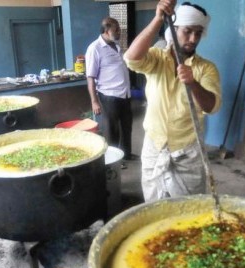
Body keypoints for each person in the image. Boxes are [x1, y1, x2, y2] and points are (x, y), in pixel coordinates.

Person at [124, 0, 222, 202]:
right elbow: (131, 59)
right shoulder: (157, 59)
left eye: (198, 33)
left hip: (188, 150)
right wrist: (158, 18)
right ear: (174, 29)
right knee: (153, 204)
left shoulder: (206, 68)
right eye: (188, 31)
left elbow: (211, 106)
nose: (193, 38)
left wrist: (193, 83)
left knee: (189, 207)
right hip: (155, 144)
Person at [85, 17, 137, 168]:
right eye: (116, 30)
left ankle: (126, 154)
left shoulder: (117, 46)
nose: (119, 32)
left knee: (127, 126)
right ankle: (114, 160)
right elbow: (90, 77)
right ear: (106, 31)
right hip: (109, 95)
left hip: (125, 94)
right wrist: (94, 101)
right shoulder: (94, 48)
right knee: (112, 130)